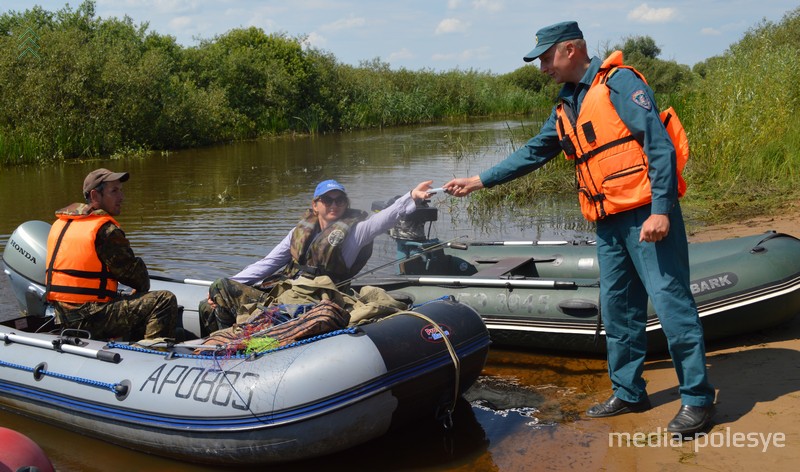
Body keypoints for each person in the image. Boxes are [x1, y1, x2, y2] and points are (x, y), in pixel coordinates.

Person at [443, 21, 715, 435]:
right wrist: (479, 181)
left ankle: (697, 399)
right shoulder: (567, 103)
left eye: (546, 58)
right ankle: (628, 392)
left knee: (671, 304)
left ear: (571, 50)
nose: (542, 68)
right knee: (619, 311)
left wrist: (662, 209)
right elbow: (534, 152)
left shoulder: (619, 83)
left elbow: (658, 144)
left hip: (646, 217)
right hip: (607, 223)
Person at [199, 178, 434, 335]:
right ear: (315, 205)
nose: (334, 204)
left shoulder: (355, 233)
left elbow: (383, 220)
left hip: (316, 300)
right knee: (210, 299)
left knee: (221, 288)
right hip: (286, 293)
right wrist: (231, 284)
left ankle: (232, 344)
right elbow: (268, 264)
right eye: (327, 200)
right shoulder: (300, 232)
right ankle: (223, 337)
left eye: (339, 199)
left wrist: (412, 197)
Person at [45, 168, 179, 341]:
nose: (121, 197)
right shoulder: (105, 231)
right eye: (114, 191)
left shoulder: (60, 224)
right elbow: (138, 279)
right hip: (89, 317)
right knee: (164, 300)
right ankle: (153, 354)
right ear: (95, 196)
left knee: (121, 298)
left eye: (121, 190)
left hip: (63, 315)